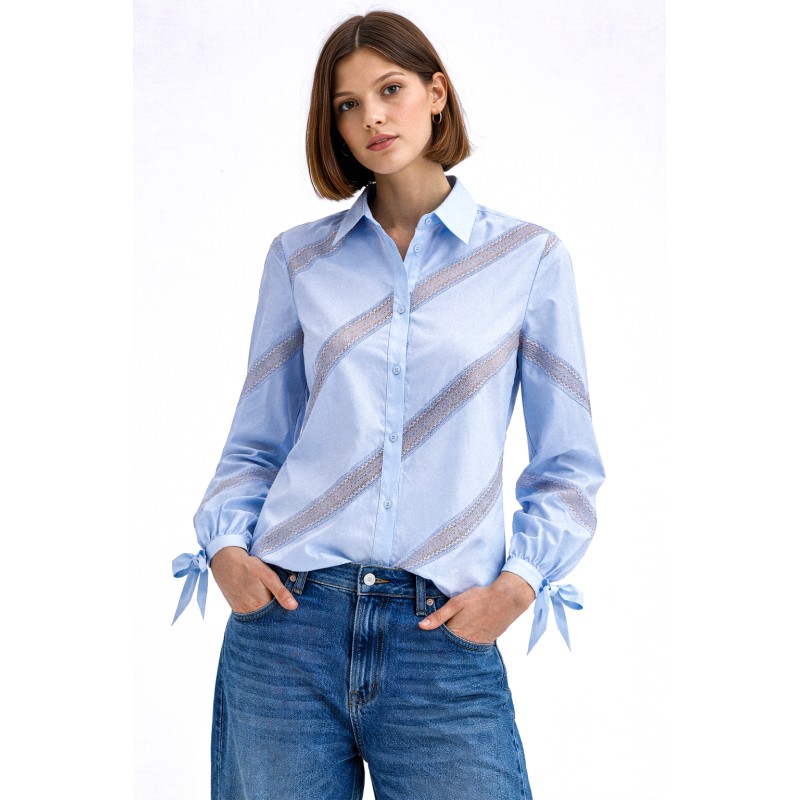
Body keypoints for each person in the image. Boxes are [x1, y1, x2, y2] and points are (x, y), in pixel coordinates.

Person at [171, 9, 604, 799]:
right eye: (347, 104)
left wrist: (519, 585)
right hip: (288, 625)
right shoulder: (300, 258)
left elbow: (567, 465)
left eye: (391, 89)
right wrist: (227, 549)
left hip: (441, 634)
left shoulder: (528, 259)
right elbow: (256, 442)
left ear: (436, 94)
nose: (371, 116)